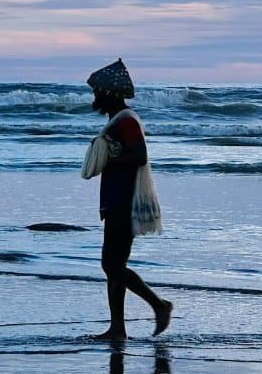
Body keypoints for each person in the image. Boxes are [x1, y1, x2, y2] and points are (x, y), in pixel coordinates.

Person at [84, 58, 172, 340]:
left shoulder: (126, 121)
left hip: (124, 201)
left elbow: (140, 155)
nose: (95, 97)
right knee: (112, 266)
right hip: (115, 200)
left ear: (109, 93)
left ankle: (159, 305)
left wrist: (111, 155)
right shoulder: (118, 121)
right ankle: (118, 328)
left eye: (97, 92)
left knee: (112, 265)